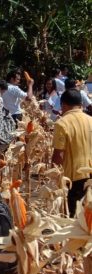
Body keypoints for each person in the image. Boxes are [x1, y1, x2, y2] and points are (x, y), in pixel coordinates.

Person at [51, 89, 92, 217]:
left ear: (64, 105)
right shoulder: (90, 120)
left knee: (74, 218)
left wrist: (54, 177)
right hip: (90, 175)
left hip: (73, 179)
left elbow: (59, 155)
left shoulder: (62, 123)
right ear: (80, 104)